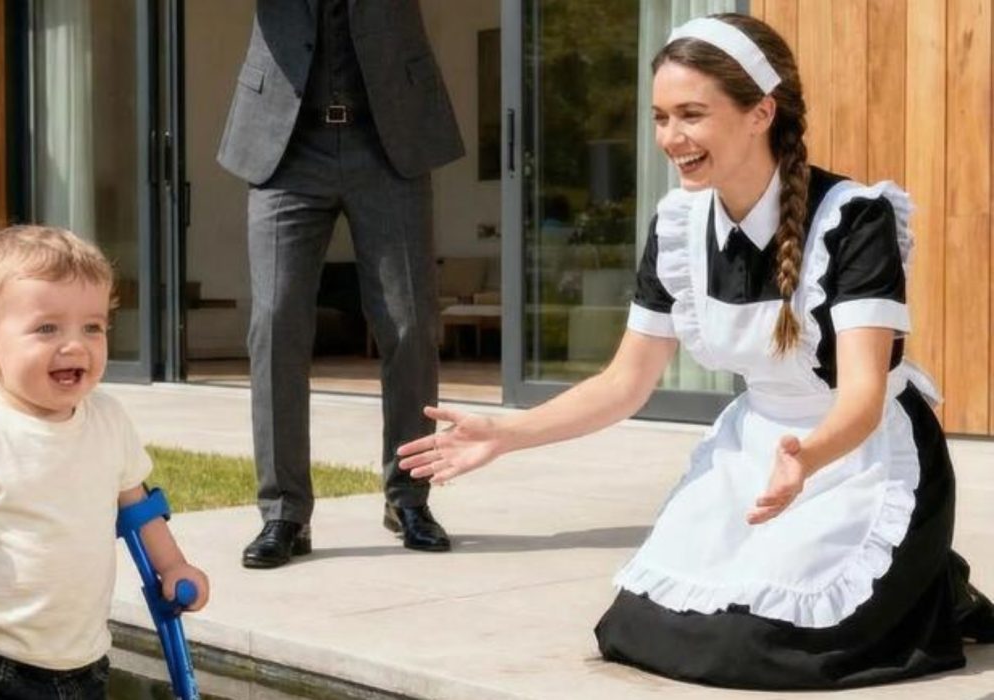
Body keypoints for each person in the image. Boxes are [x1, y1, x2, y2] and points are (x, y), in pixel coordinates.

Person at [398, 13, 993, 690]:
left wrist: (806, 461)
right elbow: (625, 382)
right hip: (759, 452)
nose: (670, 138)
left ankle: (927, 580)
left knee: (761, 649)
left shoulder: (852, 219)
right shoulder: (679, 227)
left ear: (760, 113)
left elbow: (862, 396)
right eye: (659, 118)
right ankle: (928, 583)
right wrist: (508, 433)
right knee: (636, 627)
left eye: (691, 115)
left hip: (855, 454)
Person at [0, 226, 210, 698]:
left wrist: (173, 567)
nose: (76, 345)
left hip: (84, 661)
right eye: (48, 328)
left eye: (92, 327)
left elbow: (139, 509)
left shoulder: (108, 420)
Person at [217, 0, 465, 568]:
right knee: (275, 324)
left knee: (409, 324)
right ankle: (284, 512)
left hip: (387, 141)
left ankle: (408, 498)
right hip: (286, 147)